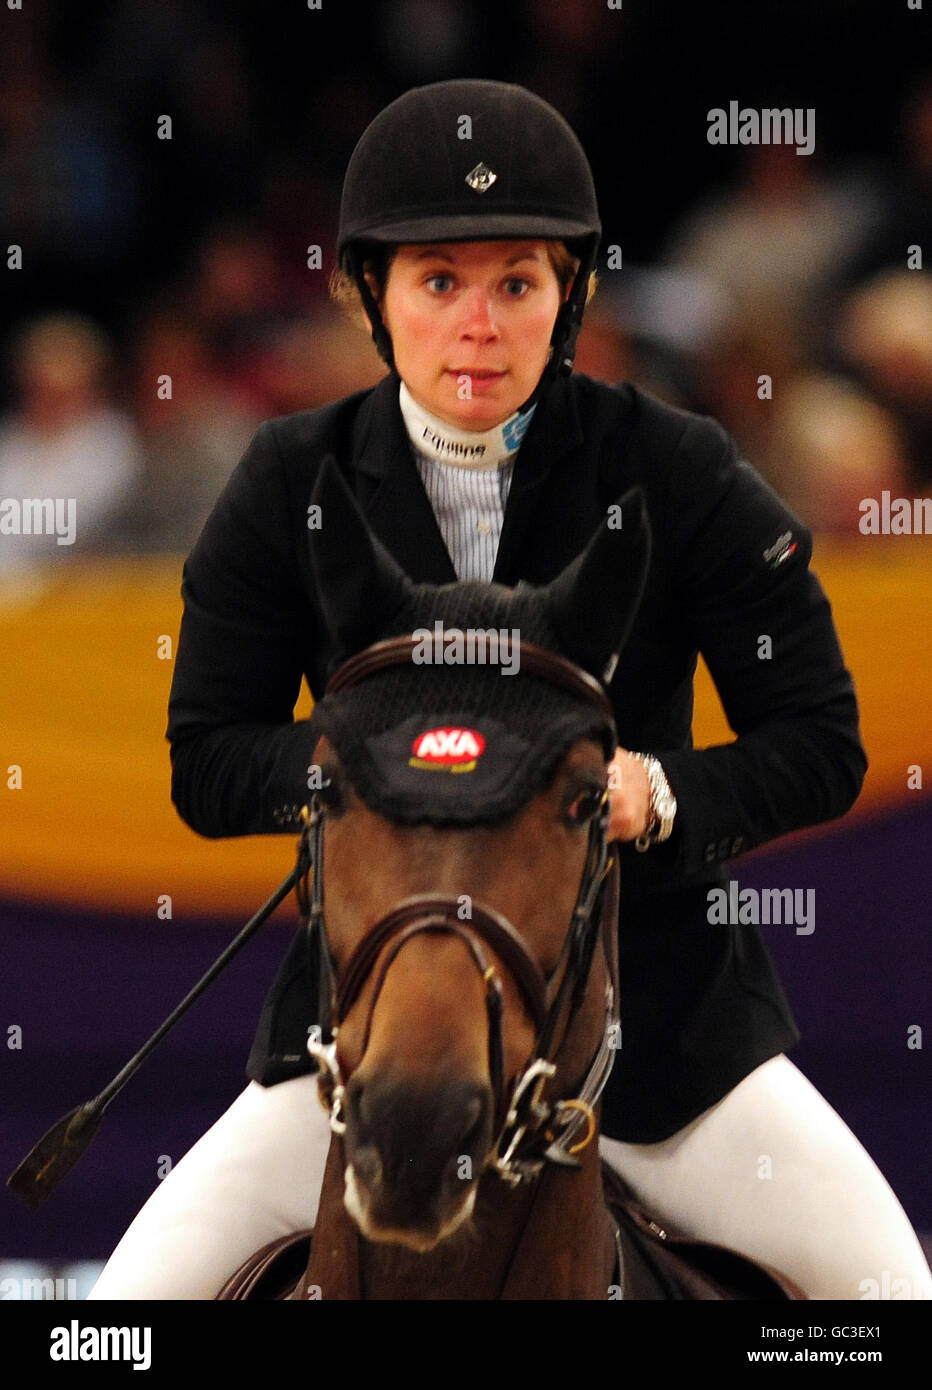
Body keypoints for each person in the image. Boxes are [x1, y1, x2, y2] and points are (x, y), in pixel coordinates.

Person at [88, 80, 931, 1301]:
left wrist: (658, 792)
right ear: (371, 297)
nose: (477, 326)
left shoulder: (675, 466)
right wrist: (353, 775)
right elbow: (208, 762)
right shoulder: (289, 479)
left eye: (516, 284)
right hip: (370, 1053)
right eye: (438, 283)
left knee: (886, 1294)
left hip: (660, 1046)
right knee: (119, 1320)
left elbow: (821, 741)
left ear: (568, 295)